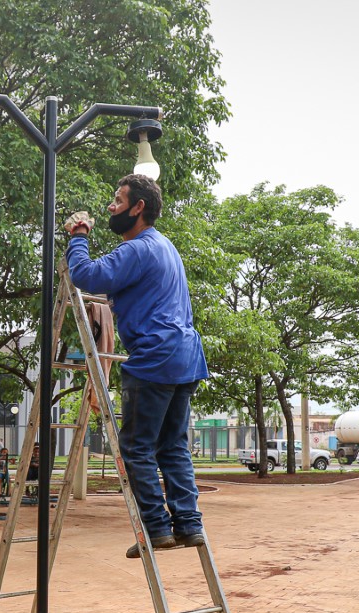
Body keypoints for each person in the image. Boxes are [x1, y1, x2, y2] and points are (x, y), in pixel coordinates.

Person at [65, 174, 209, 558]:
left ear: (138, 207)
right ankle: (189, 525)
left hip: (156, 356)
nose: (111, 207)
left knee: (137, 447)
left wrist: (78, 236)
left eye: (117, 199)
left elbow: (86, 275)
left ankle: (157, 529)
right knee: (173, 447)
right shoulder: (166, 247)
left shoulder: (138, 249)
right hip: (186, 357)